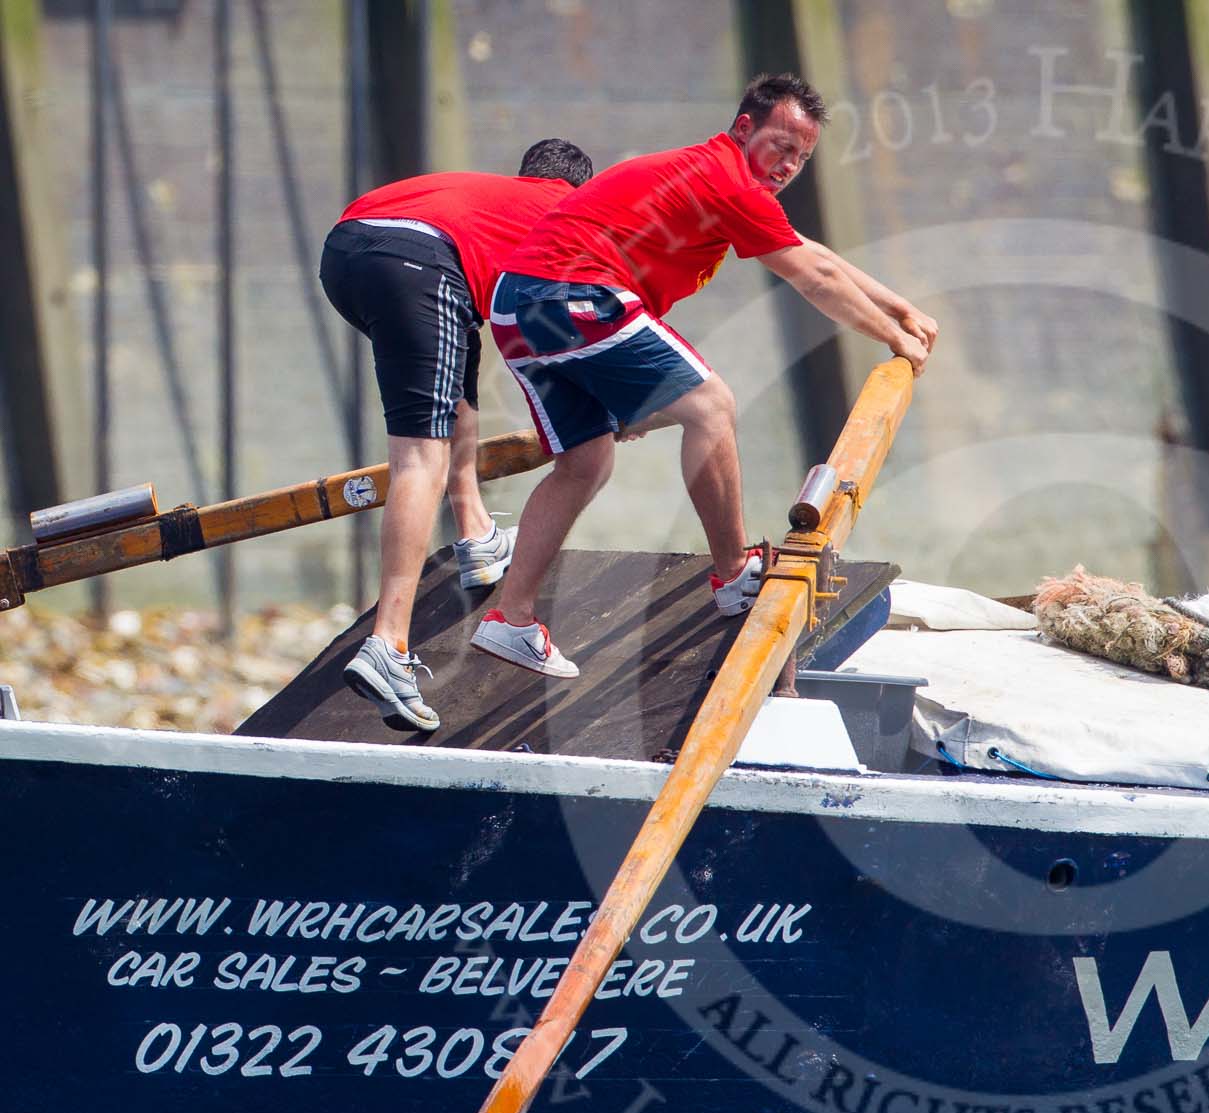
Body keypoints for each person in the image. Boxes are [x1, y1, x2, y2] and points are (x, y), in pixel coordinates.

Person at [470, 73, 935, 678]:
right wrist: (895, 340)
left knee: (585, 461)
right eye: (780, 145)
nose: (789, 164)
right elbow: (811, 279)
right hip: (572, 293)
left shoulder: (720, 179)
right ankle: (735, 573)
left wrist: (900, 307)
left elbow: (811, 251)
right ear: (744, 128)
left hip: (516, 308)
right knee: (710, 406)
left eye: (802, 155)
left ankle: (511, 620)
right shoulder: (727, 180)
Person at [319, 138, 596, 731]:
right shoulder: (564, 214)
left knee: (455, 372)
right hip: (422, 261)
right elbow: (548, 337)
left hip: (346, 251)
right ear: (578, 188)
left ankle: (476, 536)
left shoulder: (486, 199)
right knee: (422, 457)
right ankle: (388, 646)